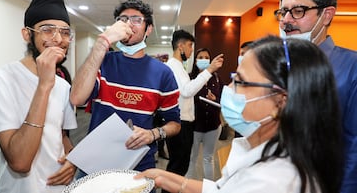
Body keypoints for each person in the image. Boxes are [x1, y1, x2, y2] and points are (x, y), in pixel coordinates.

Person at [136, 35, 344, 193]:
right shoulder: (264, 147)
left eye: (241, 82)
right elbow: (222, 189)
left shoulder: (272, 182)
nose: (229, 88)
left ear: (280, 102)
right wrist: (169, 179)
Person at [0, 0, 77, 193]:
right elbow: (19, 162)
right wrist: (43, 85)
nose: (58, 39)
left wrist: (74, 160)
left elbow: (61, 137)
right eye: (48, 29)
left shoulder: (63, 85)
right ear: (27, 34)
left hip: (61, 188)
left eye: (65, 32)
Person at [70, 0, 181, 174]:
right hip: (96, 162)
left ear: (149, 29)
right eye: (122, 19)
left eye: (136, 19)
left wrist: (153, 134)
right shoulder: (103, 62)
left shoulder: (163, 73)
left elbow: (174, 124)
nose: (128, 24)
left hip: (138, 165)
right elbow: (76, 98)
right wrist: (101, 44)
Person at [275, 0, 357, 193]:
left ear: (326, 15)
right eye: (283, 11)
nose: (286, 20)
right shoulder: (274, 66)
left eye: (298, 11)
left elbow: (354, 148)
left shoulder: (352, 68)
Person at [164, 30, 223, 188]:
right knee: (177, 167)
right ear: (180, 46)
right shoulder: (173, 66)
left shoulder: (180, 67)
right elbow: (187, 91)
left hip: (186, 123)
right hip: (180, 123)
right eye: (190, 46)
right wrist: (209, 70)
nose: (191, 51)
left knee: (180, 165)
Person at [186, 48, 224, 180]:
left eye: (206, 57)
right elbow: (186, 98)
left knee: (208, 158)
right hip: (195, 126)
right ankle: (187, 188)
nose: (203, 60)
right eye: (200, 57)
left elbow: (223, 99)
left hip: (213, 126)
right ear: (195, 60)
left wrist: (215, 99)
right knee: (192, 158)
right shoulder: (190, 78)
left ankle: (208, 188)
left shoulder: (217, 78)